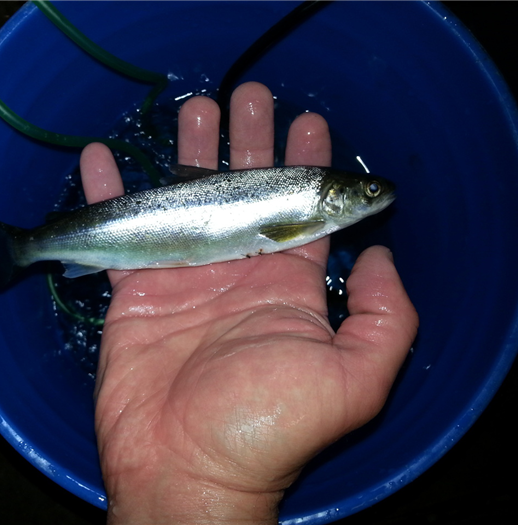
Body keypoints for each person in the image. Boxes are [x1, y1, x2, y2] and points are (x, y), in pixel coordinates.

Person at [78, 82, 418, 524]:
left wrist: (201, 480)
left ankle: (37, 244)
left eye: (369, 191)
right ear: (336, 197)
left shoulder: (317, 203)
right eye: (369, 192)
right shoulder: (315, 204)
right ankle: (33, 245)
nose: (377, 196)